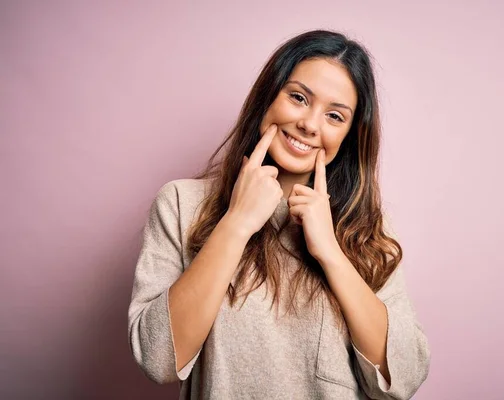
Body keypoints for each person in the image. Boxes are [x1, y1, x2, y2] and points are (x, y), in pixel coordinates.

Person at [128, 29, 430, 400]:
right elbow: (158, 360)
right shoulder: (180, 204)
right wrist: (236, 223)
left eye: (335, 116)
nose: (310, 124)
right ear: (268, 98)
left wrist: (331, 253)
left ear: (349, 136)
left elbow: (404, 376)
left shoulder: (364, 227)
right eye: (299, 98)